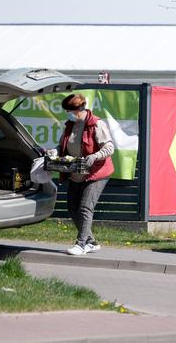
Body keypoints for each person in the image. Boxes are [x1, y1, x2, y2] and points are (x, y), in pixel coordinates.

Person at [49, 93, 115, 256]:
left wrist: (94, 156)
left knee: (85, 208)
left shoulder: (96, 124)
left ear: (79, 109)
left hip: (96, 172)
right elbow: (63, 145)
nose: (68, 114)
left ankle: (81, 244)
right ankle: (91, 242)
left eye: (70, 111)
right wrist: (54, 151)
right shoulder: (70, 125)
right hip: (76, 171)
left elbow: (109, 147)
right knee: (72, 207)